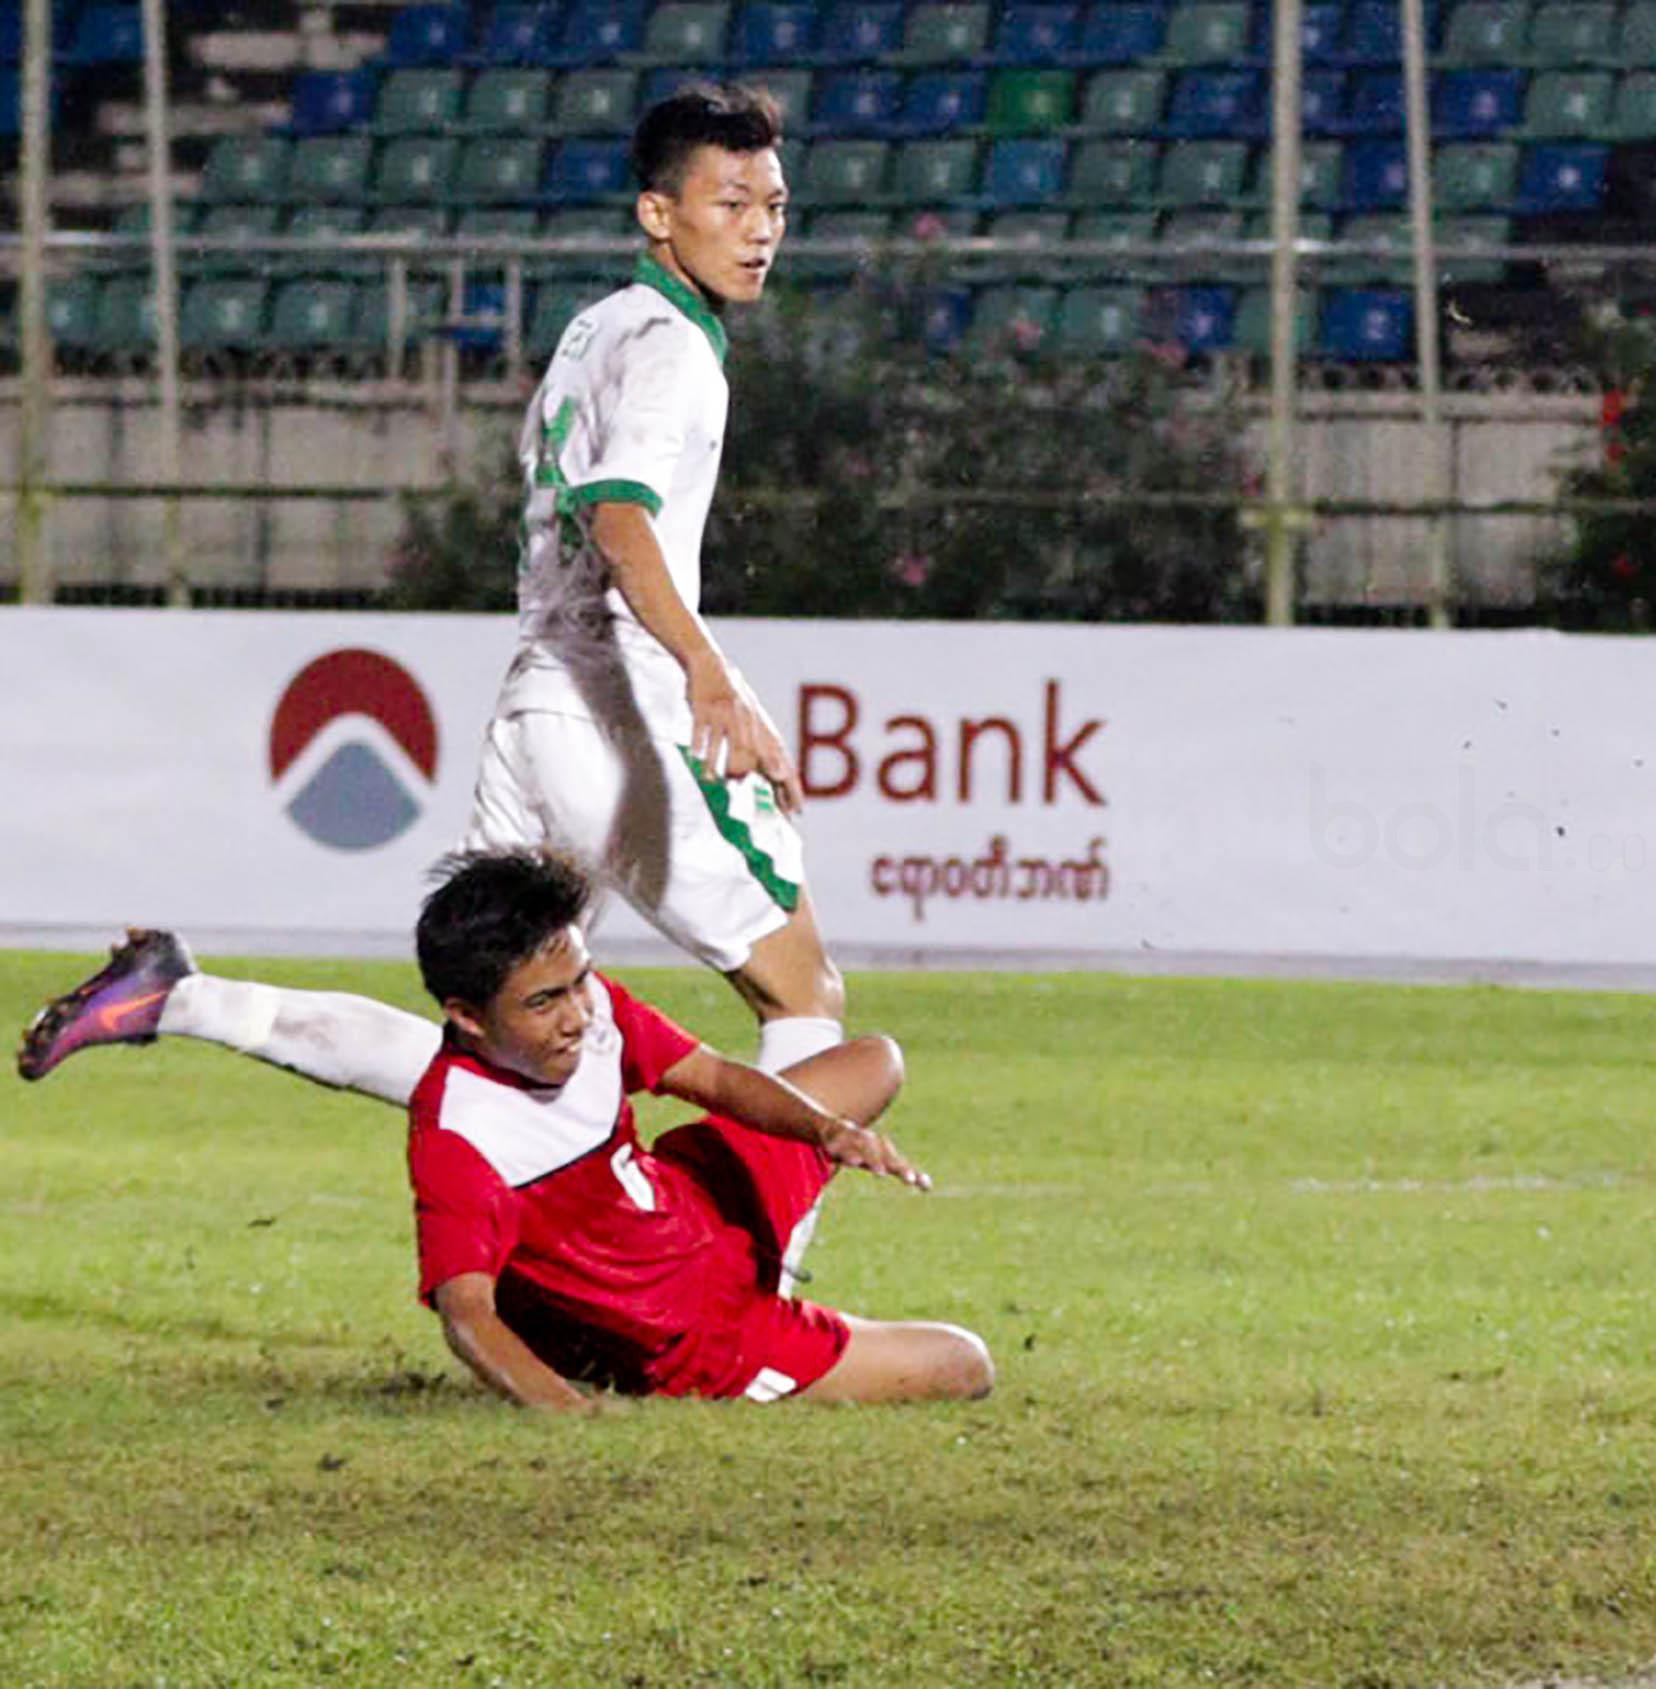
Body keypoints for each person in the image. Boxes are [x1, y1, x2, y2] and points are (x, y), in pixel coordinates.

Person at [21, 82, 845, 1108]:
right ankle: (757, 1266)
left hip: (538, 703)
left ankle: (181, 999)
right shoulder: (671, 351)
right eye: (731, 203)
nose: (760, 230)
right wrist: (708, 675)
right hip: (619, 713)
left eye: (774, 207)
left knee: (496, 1046)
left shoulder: (599, 330)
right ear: (657, 213)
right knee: (801, 992)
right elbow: (619, 518)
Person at [407, 845, 989, 1410]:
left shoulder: (593, 1007)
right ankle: (780, 1336)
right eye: (543, 1003)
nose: (578, 1017)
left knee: (875, 1062)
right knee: (963, 1364)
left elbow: (712, 1078)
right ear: (467, 1015)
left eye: (579, 981)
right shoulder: (458, 1136)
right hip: (700, 1336)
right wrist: (570, 1410)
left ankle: (770, 1258)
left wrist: (828, 1132)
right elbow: (468, 1315)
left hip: (698, 1198)